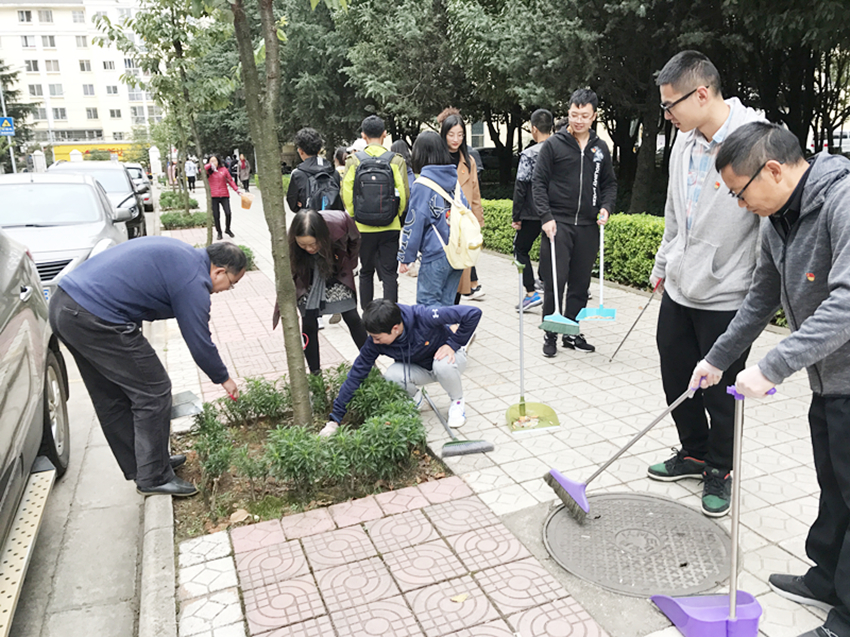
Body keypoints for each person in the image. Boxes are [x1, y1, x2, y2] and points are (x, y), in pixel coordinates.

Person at [692, 121, 850, 637]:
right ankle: (827, 577)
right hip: (828, 381)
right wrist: (718, 359)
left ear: (774, 170)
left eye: (740, 193)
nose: (740, 205)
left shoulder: (841, 201)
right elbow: (760, 297)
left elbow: (846, 303)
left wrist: (773, 365)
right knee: (834, 483)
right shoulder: (776, 219)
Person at [646, 51, 764, 517]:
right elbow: (676, 215)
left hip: (728, 294)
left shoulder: (755, 140)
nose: (667, 114)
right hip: (680, 287)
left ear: (701, 94)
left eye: (670, 105)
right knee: (676, 375)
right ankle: (693, 451)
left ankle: (720, 466)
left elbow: (768, 222)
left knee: (721, 388)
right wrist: (662, 264)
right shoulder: (683, 142)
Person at [48, 238, 246, 497]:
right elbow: (199, 340)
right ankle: (154, 476)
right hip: (93, 317)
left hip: (66, 306)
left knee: (112, 395)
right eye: (231, 284)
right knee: (154, 390)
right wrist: (224, 378)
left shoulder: (185, 256)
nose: (224, 290)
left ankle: (146, 465)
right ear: (219, 271)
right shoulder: (193, 281)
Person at [532, 88, 617, 358]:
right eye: (573, 114)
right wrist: (545, 217)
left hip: (589, 226)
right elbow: (538, 183)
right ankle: (550, 333)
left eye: (584, 115)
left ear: (594, 116)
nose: (578, 120)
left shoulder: (600, 148)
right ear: (568, 112)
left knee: (580, 284)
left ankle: (572, 331)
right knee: (556, 282)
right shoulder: (554, 145)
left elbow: (609, 184)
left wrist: (605, 207)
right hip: (558, 224)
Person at [321, 299, 482, 435]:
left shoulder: (424, 316)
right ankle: (415, 398)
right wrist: (335, 419)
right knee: (392, 374)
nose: (374, 341)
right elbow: (357, 374)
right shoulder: (375, 342)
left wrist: (452, 344)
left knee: (442, 364)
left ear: (395, 329)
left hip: (450, 361)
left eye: (377, 338)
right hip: (420, 368)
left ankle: (457, 401)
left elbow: (473, 313)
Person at [284, 209, 368, 376]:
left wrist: (347, 264)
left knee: (351, 315)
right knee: (308, 321)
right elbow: (289, 263)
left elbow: (356, 240)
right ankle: (315, 373)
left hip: (334, 267)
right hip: (307, 274)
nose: (309, 248)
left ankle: (369, 363)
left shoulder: (339, 222)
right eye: (303, 244)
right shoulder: (293, 240)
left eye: (313, 243)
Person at [341, 115, 410, 310]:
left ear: (363, 136)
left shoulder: (354, 160)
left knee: (366, 272)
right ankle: (390, 315)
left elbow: (347, 194)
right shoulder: (396, 160)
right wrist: (396, 215)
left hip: (362, 227)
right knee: (389, 274)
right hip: (391, 226)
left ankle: (368, 314)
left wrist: (356, 215)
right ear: (384, 134)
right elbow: (404, 194)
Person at [398, 131, 468, 306]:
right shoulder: (454, 181)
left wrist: (406, 257)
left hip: (435, 253)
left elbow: (413, 223)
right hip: (457, 252)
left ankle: (437, 334)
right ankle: (451, 333)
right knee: (447, 305)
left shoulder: (422, 185)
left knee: (427, 305)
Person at [438, 108, 486, 302]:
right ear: (444, 134)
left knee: (459, 279)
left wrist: (478, 224)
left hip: (462, 227)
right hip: (441, 225)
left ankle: (452, 321)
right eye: (451, 134)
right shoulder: (436, 159)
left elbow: (475, 194)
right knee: (441, 279)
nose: (456, 139)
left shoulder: (468, 161)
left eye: (460, 135)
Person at [512, 108, 552, 312]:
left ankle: (530, 293)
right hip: (554, 212)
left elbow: (520, 186)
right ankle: (552, 291)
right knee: (551, 252)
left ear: (534, 129)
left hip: (532, 212)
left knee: (520, 249)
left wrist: (516, 216)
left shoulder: (529, 154)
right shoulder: (559, 150)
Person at [286, 128, 343, 213]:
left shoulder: (298, 174)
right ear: (319, 150)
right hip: (333, 220)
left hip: (309, 221)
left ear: (300, 151)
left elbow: (293, 204)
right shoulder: (333, 172)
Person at [205, 154, 240, 240]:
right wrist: (211, 166)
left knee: (228, 213)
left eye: (215, 161)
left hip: (224, 195)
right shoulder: (208, 172)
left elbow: (230, 180)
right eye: (211, 161)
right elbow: (203, 168)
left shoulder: (223, 170)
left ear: (218, 161)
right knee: (216, 215)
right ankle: (219, 232)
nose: (214, 162)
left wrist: (236, 189)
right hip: (213, 196)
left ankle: (227, 229)